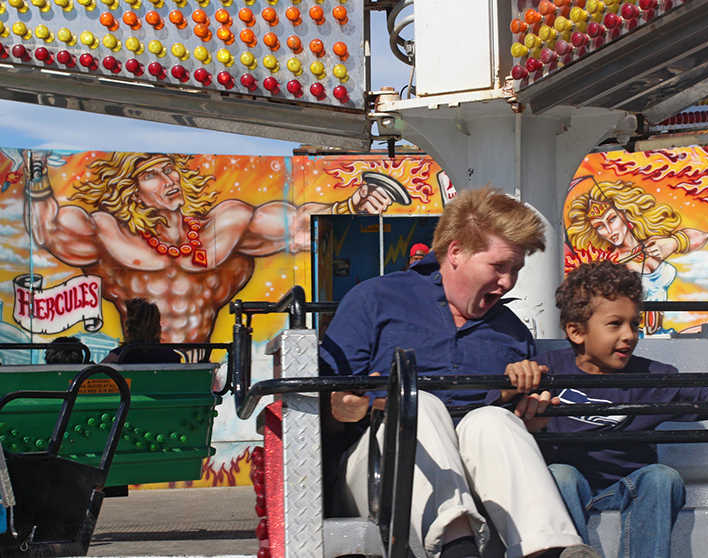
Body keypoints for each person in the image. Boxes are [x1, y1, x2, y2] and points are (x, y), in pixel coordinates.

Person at [320, 187, 599, 558]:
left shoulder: (512, 333)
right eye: (499, 266)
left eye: (515, 269)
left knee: (492, 422)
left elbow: (515, 429)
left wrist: (529, 407)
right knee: (422, 404)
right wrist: (342, 407)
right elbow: (321, 404)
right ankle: (458, 547)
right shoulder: (375, 300)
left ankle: (548, 549)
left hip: (478, 482)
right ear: (456, 253)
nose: (508, 282)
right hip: (375, 474)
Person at [507, 261, 708, 558]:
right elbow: (499, 404)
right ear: (576, 332)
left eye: (634, 324)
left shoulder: (654, 377)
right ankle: (573, 552)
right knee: (560, 475)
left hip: (629, 489)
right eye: (615, 324)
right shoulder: (548, 372)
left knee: (662, 476)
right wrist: (516, 379)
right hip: (571, 493)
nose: (629, 335)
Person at [24, 151, 394, 343]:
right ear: (131, 190)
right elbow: (49, 229)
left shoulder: (225, 226)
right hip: (142, 372)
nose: (168, 180)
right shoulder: (109, 233)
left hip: (210, 369)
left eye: (169, 169)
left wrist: (351, 206)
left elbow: (298, 226)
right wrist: (37, 174)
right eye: (151, 175)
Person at [565, 180, 708, 334]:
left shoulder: (654, 244)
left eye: (612, 219)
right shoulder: (612, 263)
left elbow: (703, 237)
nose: (608, 230)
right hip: (631, 335)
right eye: (599, 226)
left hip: (659, 333)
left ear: (626, 213)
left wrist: (673, 243)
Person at [101, 298, 182, 364]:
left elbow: (96, 375)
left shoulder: (118, 356)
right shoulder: (172, 357)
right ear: (157, 326)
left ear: (130, 327)